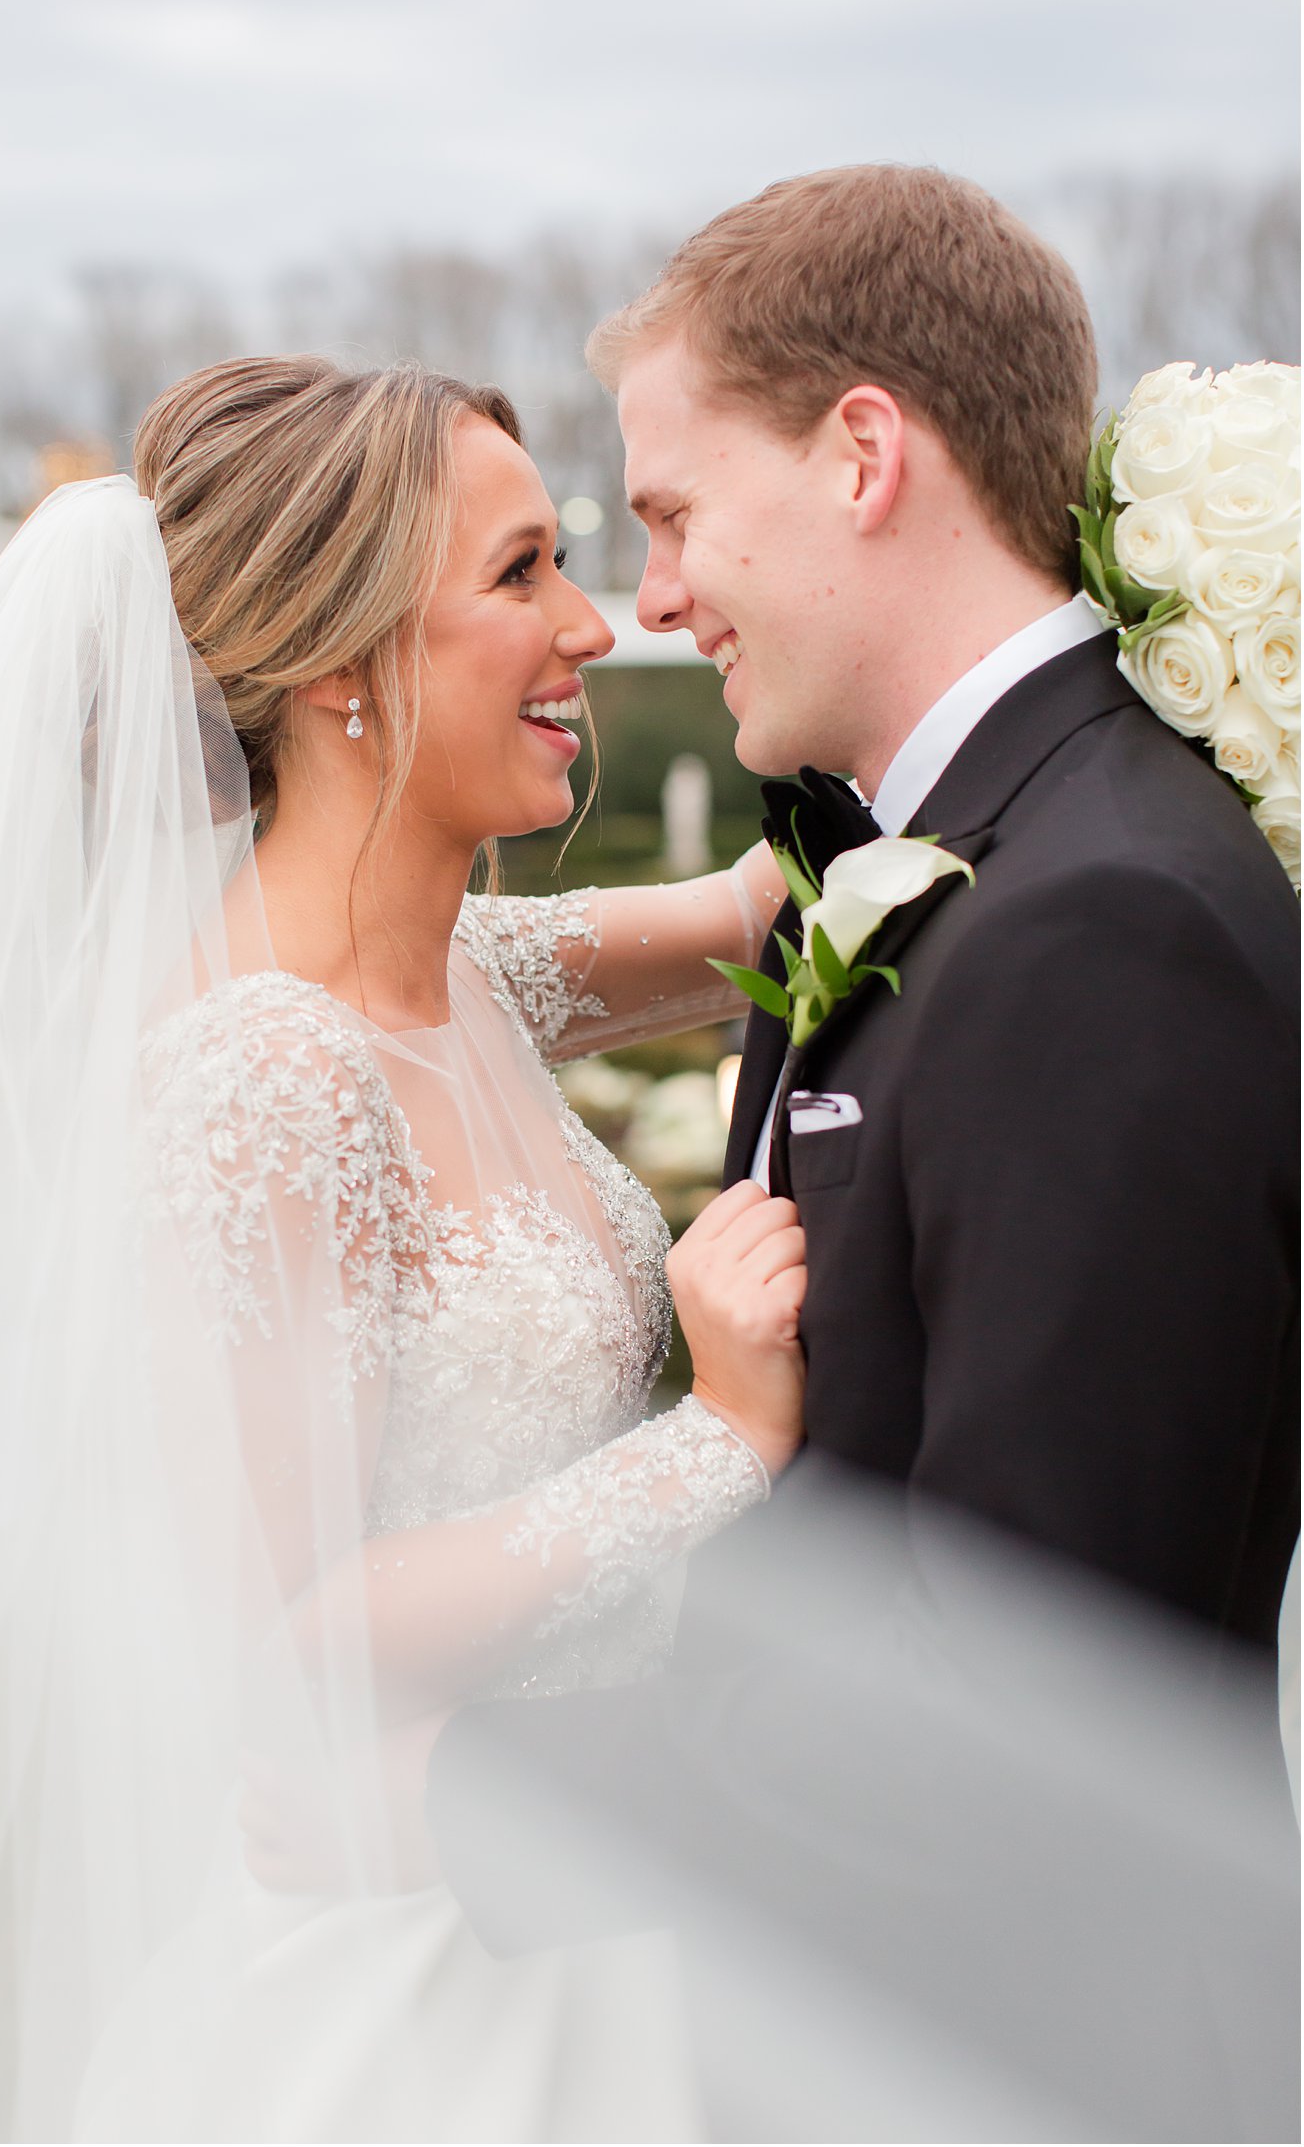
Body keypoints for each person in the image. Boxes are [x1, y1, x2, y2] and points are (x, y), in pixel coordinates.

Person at [0, 353, 816, 2142]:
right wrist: (714, 1440)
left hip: (585, 1874)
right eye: (518, 575)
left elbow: (761, 907)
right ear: (342, 667)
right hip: (407, 1970)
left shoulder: (471, 975)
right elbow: (284, 1628)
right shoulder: (265, 1069)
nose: (588, 624)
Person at [425, 166, 1301, 2137]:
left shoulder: (1101, 924)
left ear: (863, 454)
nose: (647, 596)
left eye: (668, 510)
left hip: (1024, 2061)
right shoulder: (951, 854)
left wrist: (477, 1790)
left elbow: (1029, 1688)